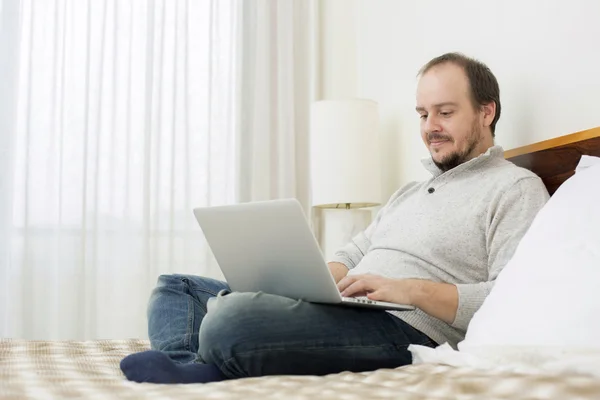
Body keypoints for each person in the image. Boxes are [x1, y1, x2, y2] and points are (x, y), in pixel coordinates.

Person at [120, 52, 549, 384]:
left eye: (445, 112)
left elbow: (509, 299)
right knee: (177, 288)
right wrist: (316, 279)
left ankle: (212, 350)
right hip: (348, 305)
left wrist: (410, 290)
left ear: (486, 112)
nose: (430, 126)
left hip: (403, 328)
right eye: (422, 114)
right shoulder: (410, 192)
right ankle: (193, 367)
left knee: (232, 318)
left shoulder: (514, 189)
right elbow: (357, 249)